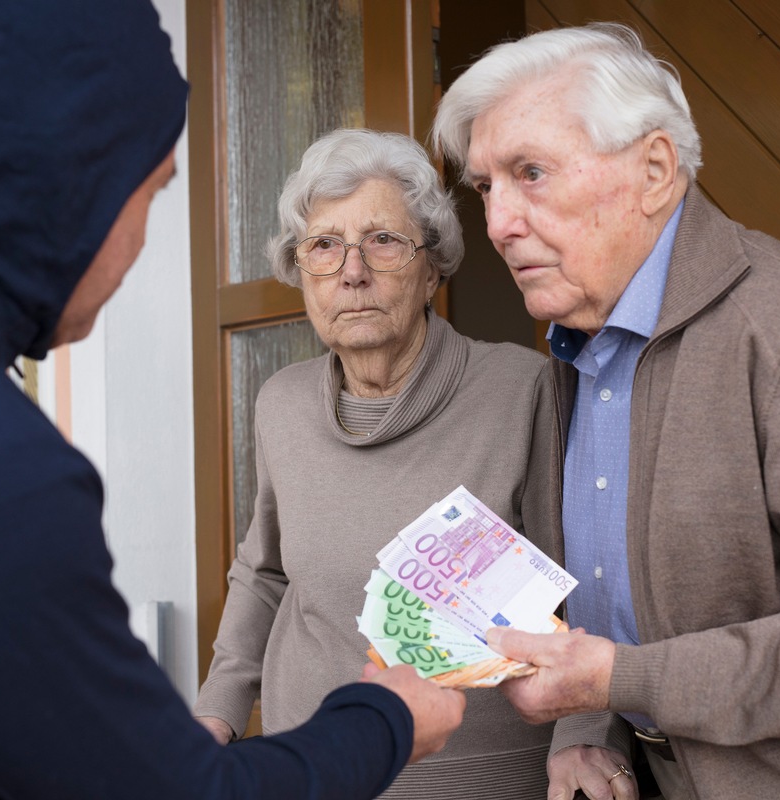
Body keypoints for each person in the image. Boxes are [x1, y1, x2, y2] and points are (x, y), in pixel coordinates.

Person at [0, 1, 466, 797]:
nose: (139, 249)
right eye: (154, 194)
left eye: (381, 243)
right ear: (78, 179)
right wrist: (385, 716)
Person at [431, 21, 780, 800]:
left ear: (656, 169)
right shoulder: (572, 350)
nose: (496, 224)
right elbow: (597, 590)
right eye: (486, 186)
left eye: (531, 172)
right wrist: (587, 729)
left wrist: (620, 680)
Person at [192, 127, 563, 799]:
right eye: (324, 246)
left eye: (383, 242)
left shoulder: (521, 391)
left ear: (431, 267)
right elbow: (265, 571)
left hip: (482, 777)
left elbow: (583, 586)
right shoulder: (282, 404)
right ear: (301, 271)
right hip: (312, 766)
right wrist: (215, 707)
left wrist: (587, 738)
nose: (352, 271)